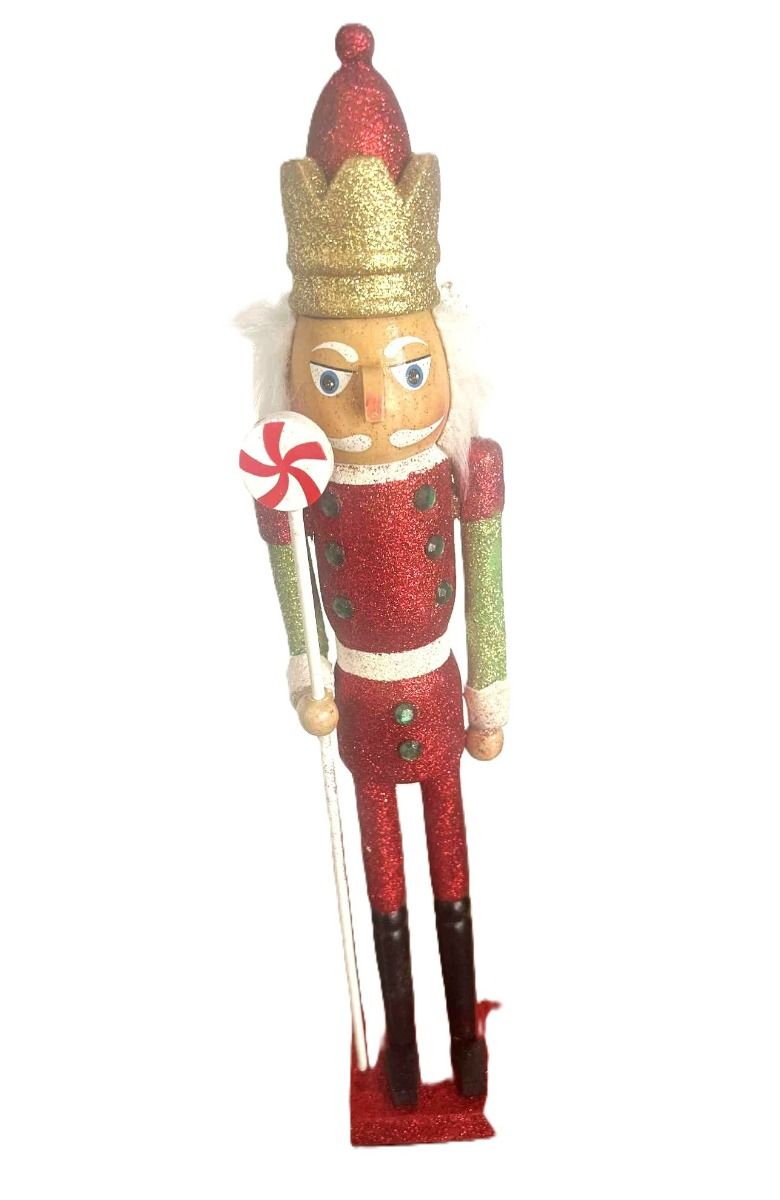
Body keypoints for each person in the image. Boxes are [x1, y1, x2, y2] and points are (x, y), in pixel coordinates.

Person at [244, 24, 508, 1108]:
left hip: (436, 689)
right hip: (355, 694)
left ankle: (465, 1043)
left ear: (445, 355)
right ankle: (401, 1050)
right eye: (333, 375)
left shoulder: (462, 470)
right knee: (380, 874)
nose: (372, 403)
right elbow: (290, 574)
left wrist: (488, 689)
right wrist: (304, 666)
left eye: (404, 367)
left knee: (451, 859)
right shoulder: (304, 479)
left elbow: (487, 582)